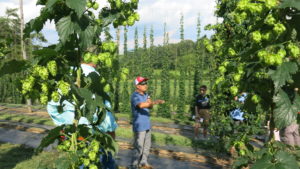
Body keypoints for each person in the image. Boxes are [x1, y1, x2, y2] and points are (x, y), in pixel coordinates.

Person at [47, 62, 118, 169]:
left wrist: (64, 125)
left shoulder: (64, 77)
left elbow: (53, 105)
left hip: (72, 137)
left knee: (75, 163)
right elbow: (105, 110)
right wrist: (110, 132)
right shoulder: (96, 77)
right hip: (94, 137)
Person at [130, 76, 165, 169]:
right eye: (143, 83)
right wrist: (155, 102)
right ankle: (133, 165)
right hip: (139, 125)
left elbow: (149, 106)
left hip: (147, 124)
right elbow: (141, 105)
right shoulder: (135, 96)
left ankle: (143, 162)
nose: (145, 85)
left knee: (147, 146)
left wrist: (150, 101)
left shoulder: (146, 95)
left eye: (146, 83)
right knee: (139, 147)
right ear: (137, 86)